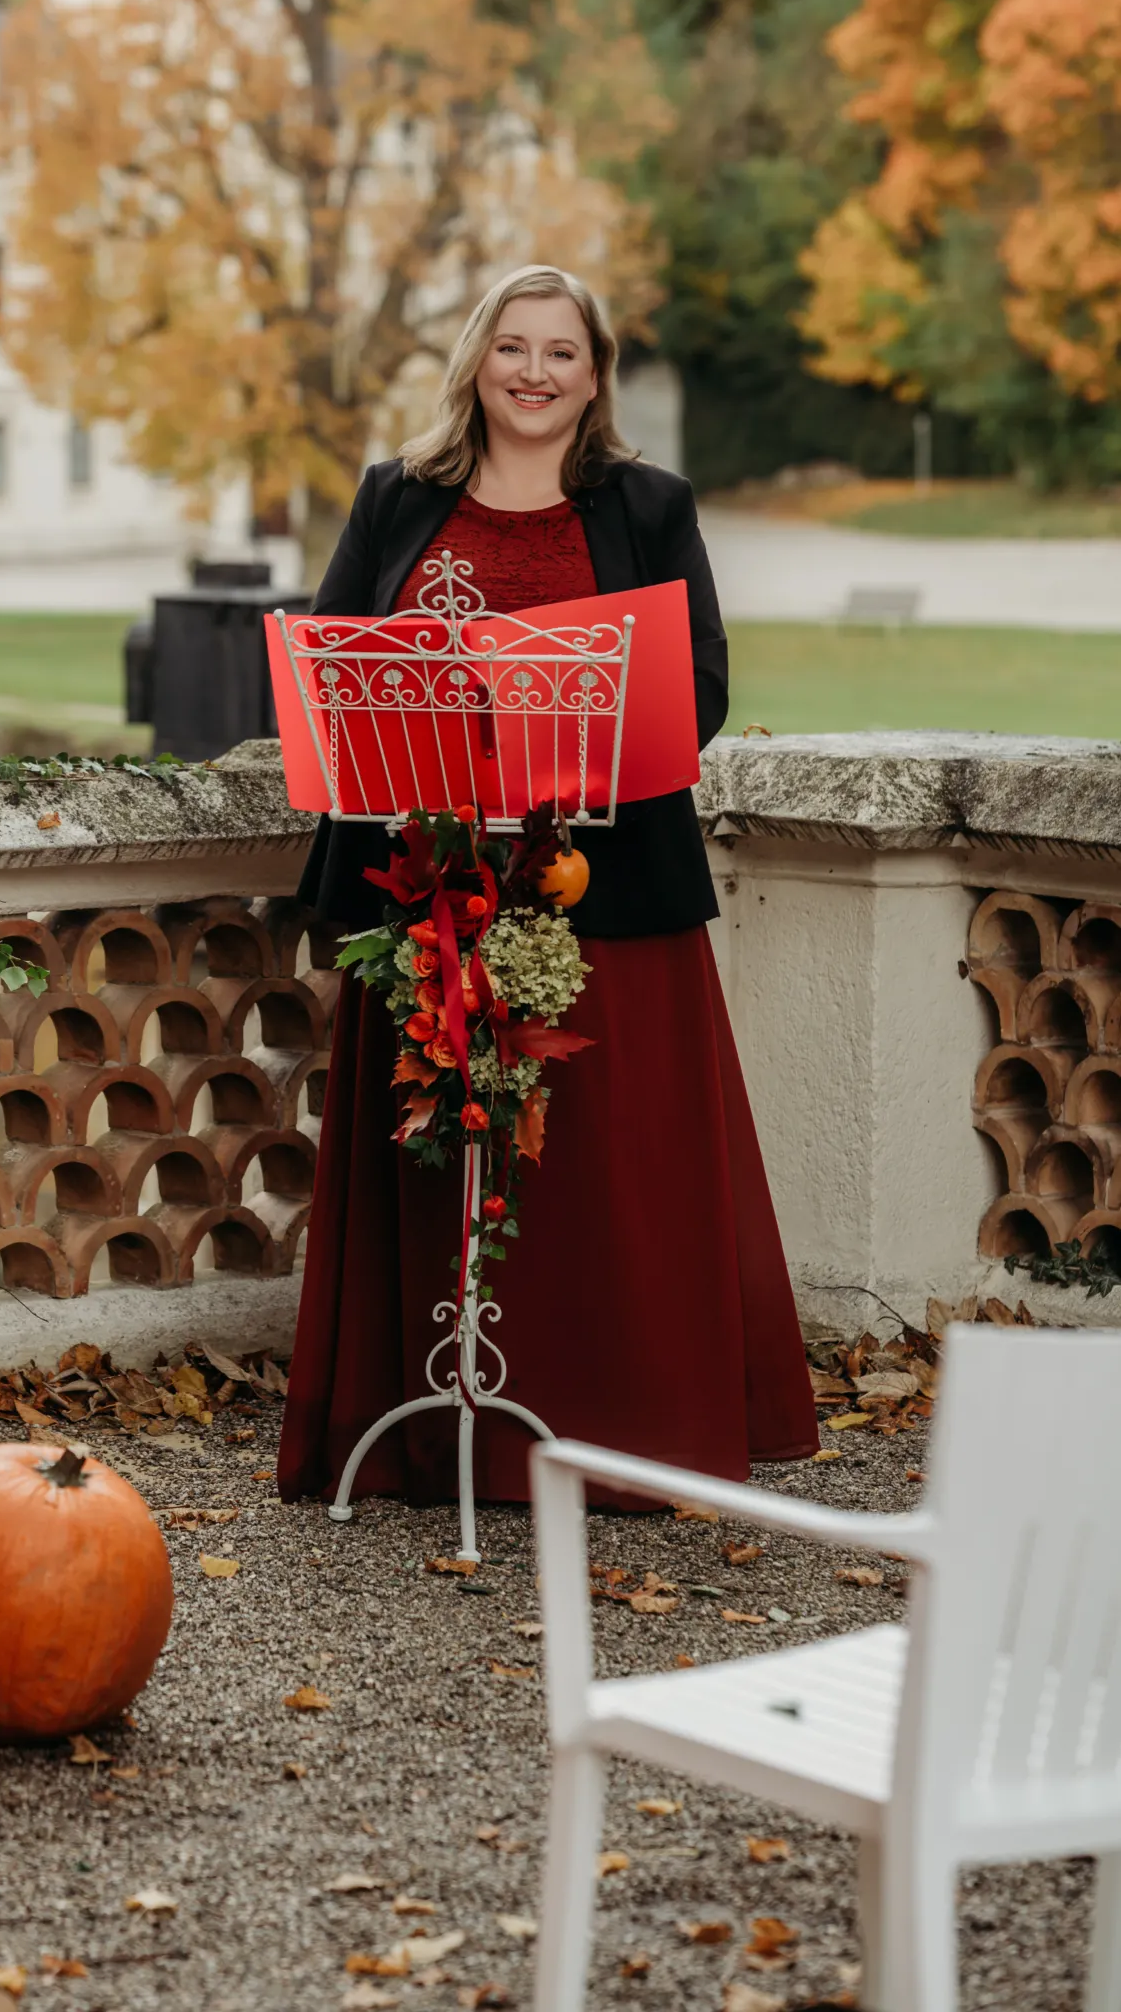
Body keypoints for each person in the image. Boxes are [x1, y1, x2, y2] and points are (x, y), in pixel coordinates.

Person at [277, 262, 817, 1509]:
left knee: (598, 1174)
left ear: (595, 373)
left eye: (560, 352)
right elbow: (337, 669)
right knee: (436, 1157)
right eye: (511, 347)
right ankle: (439, 1432)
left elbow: (706, 686)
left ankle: (614, 1433)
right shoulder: (394, 497)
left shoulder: (647, 503)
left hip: (599, 886)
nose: (533, 371)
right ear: (476, 360)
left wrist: (560, 736)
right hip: (429, 887)